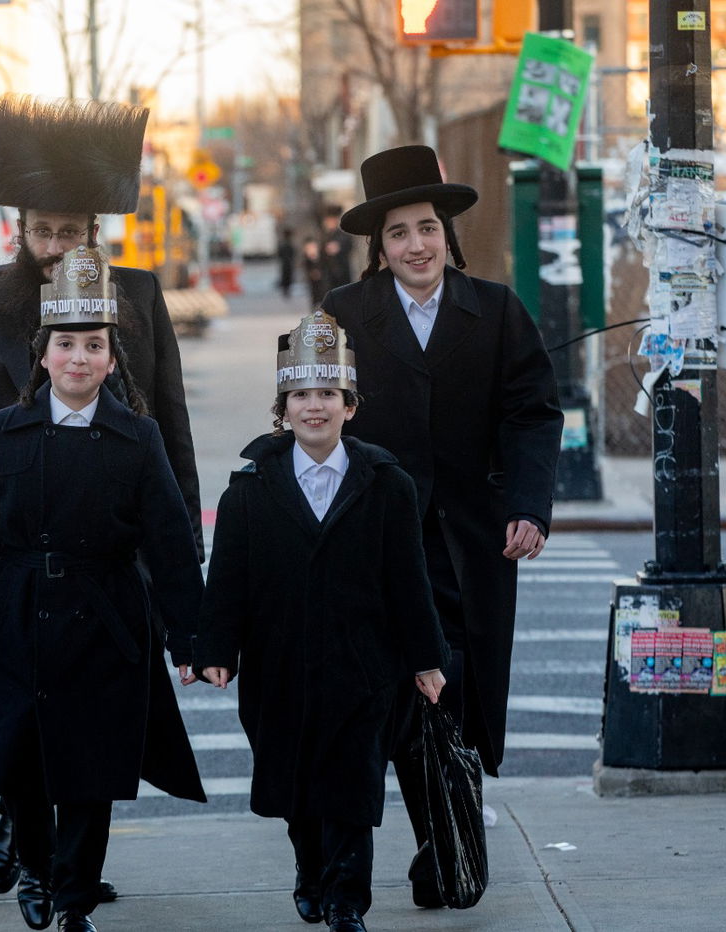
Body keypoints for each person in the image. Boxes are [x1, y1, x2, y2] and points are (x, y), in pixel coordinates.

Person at [0, 95, 203, 908]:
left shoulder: (138, 296)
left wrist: (183, 547)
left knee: (91, 705)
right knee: (9, 699)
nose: (57, 246)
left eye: (72, 231)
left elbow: (170, 422)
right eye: (44, 231)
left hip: (106, 548)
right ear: (18, 231)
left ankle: (60, 860)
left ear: (95, 234)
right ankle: (27, 841)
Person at [0, 244, 206, 932]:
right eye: (66, 345)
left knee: (90, 772)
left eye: (93, 345)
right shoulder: (5, 432)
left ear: (112, 359)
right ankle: (41, 870)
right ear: (42, 354)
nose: (79, 358)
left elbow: (170, 544)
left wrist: (195, 638)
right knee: (20, 764)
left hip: (106, 622)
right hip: (18, 617)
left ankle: (74, 898)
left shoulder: (136, 438)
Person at [319, 145, 563, 897]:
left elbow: (533, 412)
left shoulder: (494, 310)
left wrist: (528, 504)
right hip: (376, 540)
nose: (416, 245)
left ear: (446, 234)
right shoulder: (342, 314)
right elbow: (310, 415)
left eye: (427, 228)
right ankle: (447, 845)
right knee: (399, 689)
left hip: (468, 542)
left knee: (456, 687)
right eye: (398, 233)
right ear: (378, 246)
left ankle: (452, 849)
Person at [198, 311, 448, 932]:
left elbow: (408, 580)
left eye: (328, 395)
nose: (315, 407)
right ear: (283, 407)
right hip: (278, 667)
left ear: (350, 406)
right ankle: (309, 869)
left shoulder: (387, 484)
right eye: (302, 395)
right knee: (294, 784)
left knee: (351, 784)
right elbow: (227, 580)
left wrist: (426, 658)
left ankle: (345, 899)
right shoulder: (249, 489)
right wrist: (217, 650)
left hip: (363, 666)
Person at [318, 204, 354, 298]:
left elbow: (348, 246)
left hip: (342, 273)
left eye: (331, 220)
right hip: (328, 275)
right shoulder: (324, 236)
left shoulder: (343, 235)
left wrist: (338, 247)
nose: (329, 223)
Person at [277, 226, 296, 299]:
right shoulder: (288, 243)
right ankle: (287, 290)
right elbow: (293, 253)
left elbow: (279, 253)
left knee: (286, 276)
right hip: (288, 262)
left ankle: (286, 290)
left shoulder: (282, 243)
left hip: (284, 262)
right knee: (287, 276)